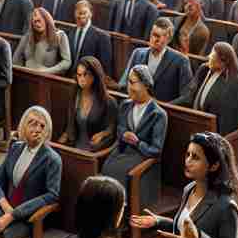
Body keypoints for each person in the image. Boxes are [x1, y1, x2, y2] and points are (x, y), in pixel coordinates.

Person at [0, 105, 61, 238]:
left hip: (27, 217)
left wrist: (12, 215)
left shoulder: (52, 159)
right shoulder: (16, 148)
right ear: (23, 126)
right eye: (33, 123)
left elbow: (51, 196)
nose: (38, 129)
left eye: (42, 126)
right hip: (3, 207)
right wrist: (5, 207)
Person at [101, 65, 168, 209]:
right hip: (122, 152)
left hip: (144, 159)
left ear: (145, 85)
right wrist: (123, 134)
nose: (128, 87)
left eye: (132, 83)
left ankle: (121, 212)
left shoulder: (159, 114)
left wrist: (137, 142)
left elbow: (156, 150)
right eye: (128, 82)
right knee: (107, 166)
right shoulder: (125, 105)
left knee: (121, 170)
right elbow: (120, 129)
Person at [176, 41, 238, 136]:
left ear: (224, 61)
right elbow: (189, 96)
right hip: (196, 122)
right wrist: (166, 105)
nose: (209, 57)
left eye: (212, 55)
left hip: (216, 131)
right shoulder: (204, 69)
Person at [127, 17, 195, 104]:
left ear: (168, 39)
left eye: (158, 36)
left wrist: (162, 107)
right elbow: (125, 83)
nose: (154, 40)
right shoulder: (137, 53)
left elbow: (187, 96)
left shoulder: (181, 61)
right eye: (152, 34)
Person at [60, 57, 116, 152]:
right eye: (79, 75)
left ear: (95, 76)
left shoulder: (109, 101)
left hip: (95, 150)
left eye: (85, 75)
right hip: (74, 147)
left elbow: (112, 131)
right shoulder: (74, 95)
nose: (81, 79)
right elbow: (69, 125)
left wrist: (103, 134)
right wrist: (63, 139)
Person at [17, 5, 72, 81]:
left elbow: (66, 62)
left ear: (46, 19)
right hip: (27, 78)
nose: (37, 24)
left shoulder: (60, 35)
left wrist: (46, 72)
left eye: (39, 20)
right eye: (34, 22)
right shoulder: (27, 37)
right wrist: (22, 74)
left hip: (48, 79)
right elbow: (16, 60)